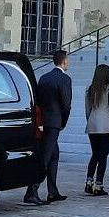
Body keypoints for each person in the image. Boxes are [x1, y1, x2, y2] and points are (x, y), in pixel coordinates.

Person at [23, 51, 73, 206]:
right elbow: (66, 104)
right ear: (64, 61)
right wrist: (63, 121)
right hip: (54, 122)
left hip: (44, 120)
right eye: (68, 60)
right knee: (45, 156)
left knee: (54, 155)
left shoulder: (44, 78)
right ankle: (32, 190)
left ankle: (53, 191)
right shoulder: (65, 79)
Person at [83, 64, 109, 196]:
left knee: (95, 154)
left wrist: (90, 121)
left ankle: (88, 181)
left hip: (92, 125)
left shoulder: (90, 88)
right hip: (105, 126)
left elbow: (87, 110)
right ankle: (98, 185)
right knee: (103, 156)